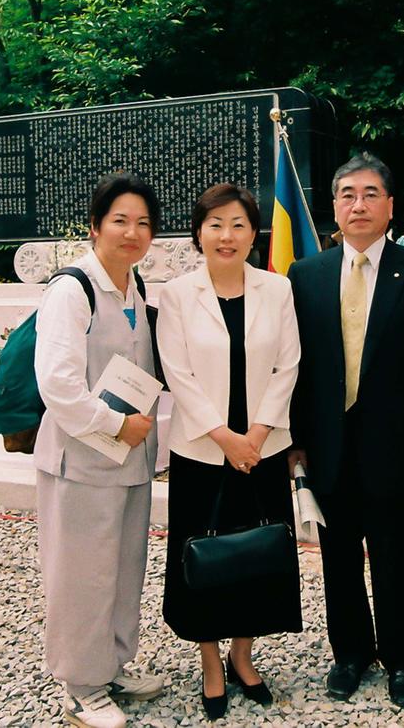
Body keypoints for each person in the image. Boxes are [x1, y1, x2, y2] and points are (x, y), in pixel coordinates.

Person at [287, 152, 404, 709]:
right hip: (329, 445)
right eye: (346, 194)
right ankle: (350, 653)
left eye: (369, 194)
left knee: (396, 555)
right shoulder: (305, 275)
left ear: (390, 207)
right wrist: (297, 444)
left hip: (398, 446)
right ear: (333, 206)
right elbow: (296, 367)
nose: (357, 204)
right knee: (338, 556)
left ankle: (403, 658)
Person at [157, 183, 302, 721]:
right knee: (205, 552)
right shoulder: (175, 295)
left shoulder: (276, 289)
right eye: (216, 223)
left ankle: (244, 655)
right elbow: (180, 373)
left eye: (238, 224)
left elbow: (288, 364)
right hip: (203, 451)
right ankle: (211, 660)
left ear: (253, 233)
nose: (227, 235)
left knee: (258, 551)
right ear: (199, 231)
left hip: (263, 449)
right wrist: (226, 437)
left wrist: (258, 435)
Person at [33, 172, 164, 728]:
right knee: (82, 573)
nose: (132, 233)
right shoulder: (73, 289)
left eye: (142, 224)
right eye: (120, 221)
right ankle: (81, 686)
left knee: (121, 568)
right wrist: (116, 425)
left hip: (128, 462)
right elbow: (58, 384)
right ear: (94, 227)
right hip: (82, 461)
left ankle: (110, 665)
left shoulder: (135, 290)